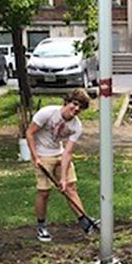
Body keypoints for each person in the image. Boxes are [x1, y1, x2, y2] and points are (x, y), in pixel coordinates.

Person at [26, 89, 93, 242]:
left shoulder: (76, 126)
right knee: (44, 192)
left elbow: (68, 153)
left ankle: (84, 221)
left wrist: (63, 178)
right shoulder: (47, 113)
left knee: (70, 187)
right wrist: (35, 157)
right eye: (74, 104)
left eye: (80, 108)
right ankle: (41, 226)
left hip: (59, 153)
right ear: (67, 102)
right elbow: (29, 133)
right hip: (42, 155)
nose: (76, 109)